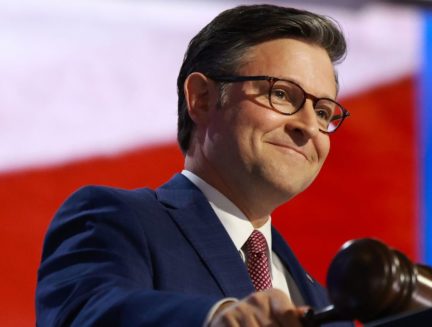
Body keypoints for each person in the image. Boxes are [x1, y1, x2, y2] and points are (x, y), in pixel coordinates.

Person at [36, 4, 352, 326]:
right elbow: (85, 314)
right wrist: (215, 319)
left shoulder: (325, 304)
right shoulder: (118, 220)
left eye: (324, 112)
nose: (310, 127)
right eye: (283, 94)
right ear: (202, 98)